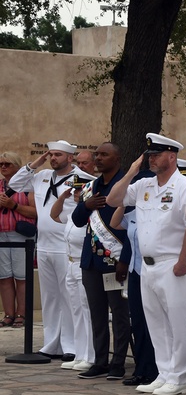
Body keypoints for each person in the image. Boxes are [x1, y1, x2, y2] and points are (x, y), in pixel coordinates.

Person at [107, 133, 186, 395]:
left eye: (156, 155)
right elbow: (114, 200)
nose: (151, 159)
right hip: (146, 266)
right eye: (149, 155)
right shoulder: (144, 185)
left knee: (177, 322)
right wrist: (132, 171)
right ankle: (164, 372)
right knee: (155, 322)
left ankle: (179, 377)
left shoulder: (184, 186)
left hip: (172, 263)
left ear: (172, 156)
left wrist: (183, 260)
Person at [8, 140, 87, 358]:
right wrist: (35, 163)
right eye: (51, 155)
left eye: (58, 155)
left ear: (70, 158)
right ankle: (52, 344)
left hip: (67, 246)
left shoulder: (80, 179)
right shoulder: (42, 176)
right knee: (50, 297)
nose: (53, 158)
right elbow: (14, 185)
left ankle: (71, 345)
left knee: (69, 296)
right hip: (43, 245)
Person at [65, 142, 131, 380]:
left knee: (120, 314)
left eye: (104, 154)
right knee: (97, 314)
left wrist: (124, 259)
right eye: (97, 155)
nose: (99, 158)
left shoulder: (126, 186)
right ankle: (100, 361)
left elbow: (131, 226)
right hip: (91, 261)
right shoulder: (91, 187)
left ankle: (118, 363)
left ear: (117, 158)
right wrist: (86, 205)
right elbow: (78, 220)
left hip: (114, 262)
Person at [111, 168, 159, 387]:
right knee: (138, 322)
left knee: (153, 323)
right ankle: (141, 369)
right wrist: (124, 202)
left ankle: (156, 369)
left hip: (153, 269)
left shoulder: (157, 211)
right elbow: (114, 223)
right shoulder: (133, 214)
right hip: (136, 271)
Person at [52, 170, 97, 372]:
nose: (77, 193)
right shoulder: (74, 213)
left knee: (87, 311)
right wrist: (63, 195)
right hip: (70, 264)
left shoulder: (92, 215)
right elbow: (54, 215)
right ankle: (80, 354)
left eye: (81, 189)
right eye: (75, 190)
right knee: (76, 311)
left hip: (83, 265)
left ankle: (91, 355)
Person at [0, 153, 37, 328]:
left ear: (17, 166)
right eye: (1, 164)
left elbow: (36, 213)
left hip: (21, 236)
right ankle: (8, 314)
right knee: (4, 276)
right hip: (1, 235)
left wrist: (13, 205)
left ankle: (22, 313)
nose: (3, 167)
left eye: (7, 164)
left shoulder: (28, 187)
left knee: (22, 276)